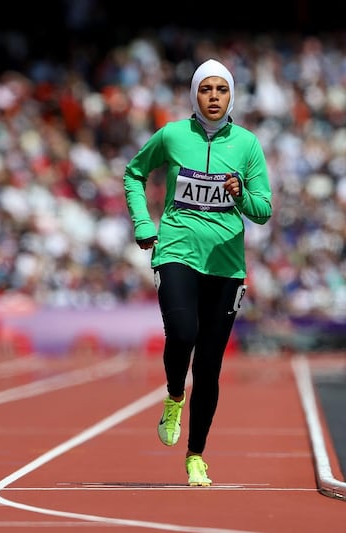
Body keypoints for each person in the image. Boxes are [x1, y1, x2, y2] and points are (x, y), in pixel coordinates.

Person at [123, 59, 272, 486]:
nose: (212, 96)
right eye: (205, 89)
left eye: (220, 90)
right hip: (175, 251)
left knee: (208, 365)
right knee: (183, 334)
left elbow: (263, 211)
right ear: (194, 94)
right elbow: (134, 173)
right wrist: (142, 223)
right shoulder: (172, 135)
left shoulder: (247, 145)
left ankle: (196, 455)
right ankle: (173, 396)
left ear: (231, 97)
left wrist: (241, 194)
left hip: (226, 265)